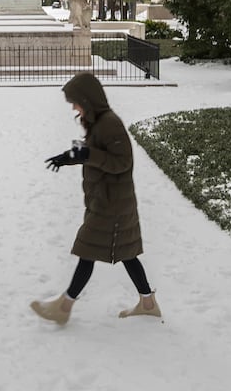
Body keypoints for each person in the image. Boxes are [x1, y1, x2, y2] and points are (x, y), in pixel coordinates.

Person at [30, 71, 162, 325]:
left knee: (87, 250)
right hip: (107, 201)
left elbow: (121, 163)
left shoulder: (109, 123)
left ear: (88, 100)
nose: (74, 107)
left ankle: (64, 307)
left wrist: (87, 155)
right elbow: (96, 153)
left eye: (75, 102)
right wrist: (69, 156)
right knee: (126, 253)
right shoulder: (98, 122)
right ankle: (148, 303)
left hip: (111, 204)